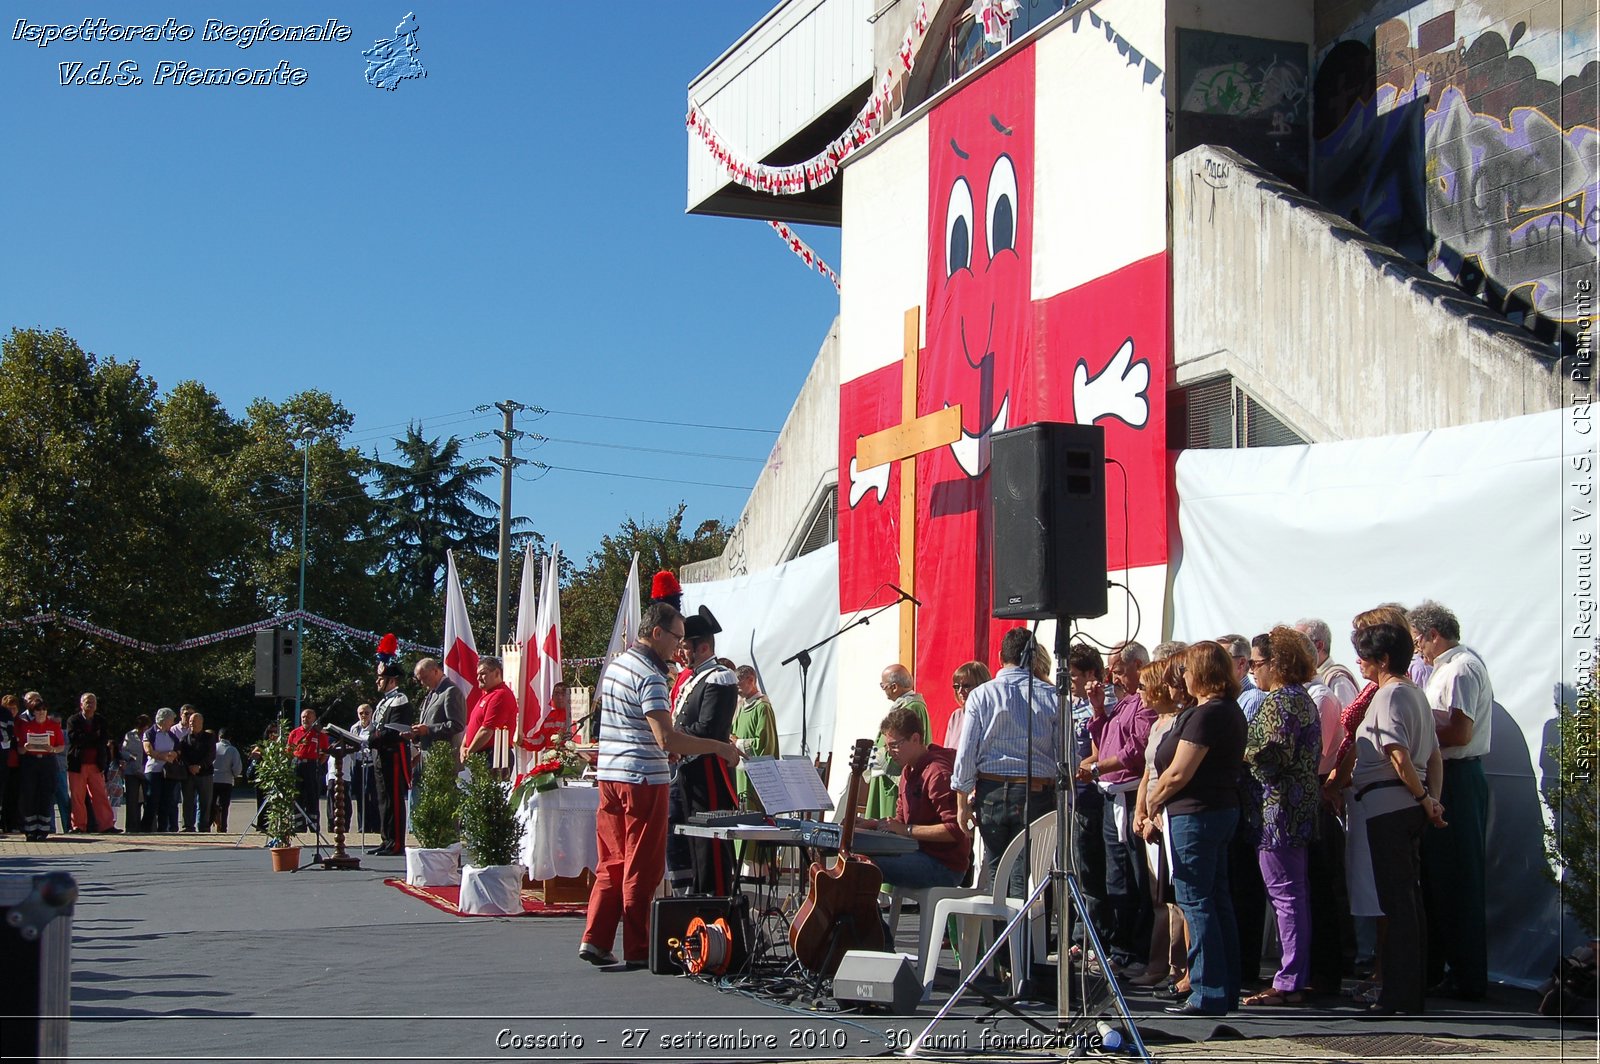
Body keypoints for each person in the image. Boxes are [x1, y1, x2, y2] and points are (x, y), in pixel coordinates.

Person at [579, 602, 742, 969]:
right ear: (657, 633)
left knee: (612, 862)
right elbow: (667, 739)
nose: (678, 647)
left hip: (611, 775)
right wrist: (718, 747)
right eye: (676, 638)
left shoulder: (618, 666)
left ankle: (596, 937)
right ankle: (638, 947)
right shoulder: (650, 675)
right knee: (643, 866)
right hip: (642, 780)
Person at [1148, 641, 1247, 1017]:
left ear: (1203, 673)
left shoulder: (1209, 714)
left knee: (1196, 901)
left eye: (1187, 670)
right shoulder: (1224, 711)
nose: (1183, 677)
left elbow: (1178, 771)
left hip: (1197, 814)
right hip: (1215, 811)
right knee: (1215, 899)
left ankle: (1207, 991)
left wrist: (1154, 801)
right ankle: (1224, 987)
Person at [1350, 622, 1445, 1015]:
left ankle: (1401, 996)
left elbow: (1398, 754)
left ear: (1383, 660)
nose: (1360, 662)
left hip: (1391, 805)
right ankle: (1407, 991)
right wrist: (1431, 800)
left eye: (1365, 656)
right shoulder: (1416, 695)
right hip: (1405, 804)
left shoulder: (1390, 696)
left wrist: (1425, 798)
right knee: (1407, 900)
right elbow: (1434, 756)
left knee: (1398, 903)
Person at [1410, 600, 1493, 1002]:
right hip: (1446, 775)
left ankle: (1469, 976)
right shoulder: (1444, 668)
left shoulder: (1460, 668)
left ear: (1432, 634)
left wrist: (1414, 732)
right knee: (1440, 878)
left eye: (1417, 641)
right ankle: (1451, 969)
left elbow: (1460, 732)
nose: (1416, 650)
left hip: (1458, 777)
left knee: (1460, 877)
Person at [1241, 627, 1322, 1006]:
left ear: (1277, 663)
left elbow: (1271, 754)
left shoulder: (1282, 702)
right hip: (1294, 806)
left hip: (1278, 810)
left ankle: (1290, 979)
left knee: (1286, 896)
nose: (1254, 671)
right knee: (1293, 895)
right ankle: (1296, 975)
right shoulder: (1300, 699)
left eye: (1257, 664)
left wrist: (1239, 750)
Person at [952, 628, 1058, 897]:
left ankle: (1003, 937)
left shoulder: (981, 695)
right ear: (1034, 658)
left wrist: (961, 803)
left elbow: (966, 752)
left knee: (999, 874)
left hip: (992, 791)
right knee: (1028, 875)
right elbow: (1066, 755)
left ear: (1000, 657)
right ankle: (1024, 939)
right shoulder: (1052, 695)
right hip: (1036, 792)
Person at [1084, 640, 1156, 973]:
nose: (1112, 676)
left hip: (1129, 795)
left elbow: (1135, 751)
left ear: (1138, 666)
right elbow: (1106, 741)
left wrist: (1097, 768)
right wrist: (1098, 710)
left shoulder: (1144, 704)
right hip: (1113, 793)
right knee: (1117, 876)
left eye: (1119, 669)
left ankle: (1138, 951)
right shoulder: (1125, 703)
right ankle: (1121, 946)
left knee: (1135, 876)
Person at [668, 606, 740, 896]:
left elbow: (708, 728)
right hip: (688, 769)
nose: (681, 653)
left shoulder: (720, 677)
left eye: (686, 647)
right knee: (688, 837)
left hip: (708, 770)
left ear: (704, 647)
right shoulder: (694, 676)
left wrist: (673, 740)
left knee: (708, 841)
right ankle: (693, 894)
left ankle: (715, 897)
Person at [862, 705, 970, 889]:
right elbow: (900, 822)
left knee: (864, 869)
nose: (890, 753)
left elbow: (956, 829)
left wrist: (907, 830)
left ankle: (869, 918)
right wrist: (872, 825)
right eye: (888, 747)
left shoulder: (937, 773)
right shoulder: (907, 771)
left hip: (944, 866)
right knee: (857, 860)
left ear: (915, 738)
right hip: (919, 854)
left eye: (895, 745)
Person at [1131, 656, 1189, 990]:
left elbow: (1170, 775)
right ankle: (1159, 962)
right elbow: (1147, 773)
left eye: (1143, 685)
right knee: (1157, 896)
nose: (1139, 692)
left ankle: (1174, 965)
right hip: (1150, 811)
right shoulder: (1156, 724)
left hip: (1165, 816)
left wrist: (1153, 814)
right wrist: (1140, 811)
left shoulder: (1177, 722)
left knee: (1171, 897)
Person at [1066, 643, 1109, 943]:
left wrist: (1079, 765)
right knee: (1071, 869)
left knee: (1090, 871)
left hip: (1091, 795)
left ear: (1092, 674)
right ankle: (1072, 932)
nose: (1070, 682)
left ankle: (1089, 938)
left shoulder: (1105, 705)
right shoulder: (1067, 704)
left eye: (1075, 675)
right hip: (1068, 796)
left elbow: (1105, 751)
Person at [864, 665, 930, 821]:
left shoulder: (913, 706)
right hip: (883, 773)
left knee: (890, 826)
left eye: (883, 686)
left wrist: (885, 755)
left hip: (894, 781)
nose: (883, 689)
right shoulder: (903, 705)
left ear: (894, 687)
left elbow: (913, 746)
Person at [731, 665, 779, 872]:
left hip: (757, 775)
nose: (738, 690)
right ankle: (742, 868)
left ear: (751, 680)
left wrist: (738, 742)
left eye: (740, 685)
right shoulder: (742, 706)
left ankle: (757, 869)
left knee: (754, 817)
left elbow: (764, 745)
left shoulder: (762, 707)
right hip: (741, 773)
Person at [369, 660, 415, 856]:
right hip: (381, 754)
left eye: (381, 678)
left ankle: (396, 843)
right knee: (383, 798)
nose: (378, 682)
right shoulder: (384, 701)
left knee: (393, 799)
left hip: (393, 754)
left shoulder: (400, 699)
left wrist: (371, 739)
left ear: (391, 680)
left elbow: (394, 729)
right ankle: (386, 839)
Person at [17, 697, 65, 841]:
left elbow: (61, 746)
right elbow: (19, 749)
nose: (41, 712)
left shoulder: (53, 726)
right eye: (38, 710)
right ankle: (30, 830)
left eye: (44, 709)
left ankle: (43, 830)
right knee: (30, 795)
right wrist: (25, 748)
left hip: (47, 762)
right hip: (30, 762)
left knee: (46, 795)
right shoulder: (26, 726)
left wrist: (53, 749)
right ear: (33, 712)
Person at [67, 692, 116, 833]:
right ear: (81, 704)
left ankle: (107, 825)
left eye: (93, 702)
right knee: (77, 797)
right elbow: (75, 738)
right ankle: (78, 826)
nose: (90, 704)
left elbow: (103, 740)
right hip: (77, 764)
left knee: (100, 795)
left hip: (96, 764)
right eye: (87, 701)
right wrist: (93, 737)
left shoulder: (101, 720)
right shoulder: (73, 720)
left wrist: (89, 739)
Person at [411, 656, 466, 761]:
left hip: (444, 759)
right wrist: (416, 734)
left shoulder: (451, 691)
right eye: (420, 680)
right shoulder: (432, 693)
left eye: (425, 678)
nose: (422, 683)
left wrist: (428, 729)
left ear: (435, 671)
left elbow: (457, 725)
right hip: (429, 756)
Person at [1297, 618, 1360, 708]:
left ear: (1318, 646)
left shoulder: (1338, 680)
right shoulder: (1306, 678)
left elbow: (1344, 719)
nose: (1293, 650)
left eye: (1298, 644)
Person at [462, 657, 517, 759]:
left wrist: (469, 751)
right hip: (480, 755)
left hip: (494, 756)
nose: (478, 678)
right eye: (477, 674)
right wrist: (463, 746)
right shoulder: (487, 695)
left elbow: (487, 730)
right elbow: (473, 725)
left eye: (483, 673)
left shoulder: (501, 695)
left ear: (496, 673)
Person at [287, 708, 329, 833]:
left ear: (314, 718)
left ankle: (313, 825)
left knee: (312, 796)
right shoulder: (295, 733)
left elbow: (325, 753)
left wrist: (317, 764)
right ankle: (299, 825)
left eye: (308, 717)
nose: (305, 719)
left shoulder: (319, 734)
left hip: (312, 765)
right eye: (303, 717)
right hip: (297, 765)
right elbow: (289, 750)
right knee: (296, 796)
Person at [142, 708, 181, 832]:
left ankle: (163, 829)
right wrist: (164, 756)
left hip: (168, 772)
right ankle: (146, 828)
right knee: (152, 799)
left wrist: (174, 754)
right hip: (153, 770)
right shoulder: (150, 733)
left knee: (166, 801)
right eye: (171, 720)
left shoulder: (171, 735)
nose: (173, 722)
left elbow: (178, 750)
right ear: (165, 720)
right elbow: (149, 750)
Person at [178, 711, 217, 832]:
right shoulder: (184, 739)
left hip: (205, 774)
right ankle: (188, 825)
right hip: (189, 774)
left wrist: (200, 766)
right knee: (188, 801)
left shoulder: (209, 738)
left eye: (194, 721)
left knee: (205, 801)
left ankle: (204, 826)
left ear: (201, 723)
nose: (191, 723)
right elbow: (182, 756)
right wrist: (190, 766)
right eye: (190, 721)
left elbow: (211, 755)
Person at [945, 661, 990, 751]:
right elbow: (946, 753)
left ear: (981, 686)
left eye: (966, 686)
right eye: (957, 686)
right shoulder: (956, 716)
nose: (960, 691)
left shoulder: (989, 716)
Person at [1220, 635, 1265, 722]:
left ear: (1241, 663)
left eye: (1220, 659)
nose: (1213, 666)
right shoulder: (1219, 697)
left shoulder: (1254, 699)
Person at [120, 714, 149, 833]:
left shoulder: (151, 735)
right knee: (132, 801)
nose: (142, 730)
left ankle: (148, 827)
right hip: (132, 771)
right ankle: (132, 827)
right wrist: (130, 757)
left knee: (149, 800)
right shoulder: (130, 735)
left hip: (147, 771)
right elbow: (123, 751)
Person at [211, 728, 242, 832]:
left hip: (213, 779)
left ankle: (209, 822)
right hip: (226, 780)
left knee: (211, 803)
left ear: (219, 737)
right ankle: (223, 826)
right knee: (224, 805)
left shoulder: (213, 747)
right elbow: (237, 768)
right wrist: (235, 774)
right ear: (230, 738)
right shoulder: (233, 750)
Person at [0, 694, 18, 833]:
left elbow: (9, 735)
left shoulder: (5, 714)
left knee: (7, 794)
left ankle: (9, 824)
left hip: (6, 759)